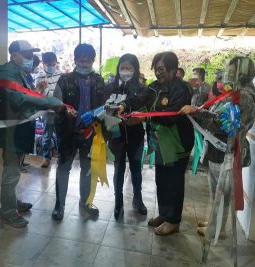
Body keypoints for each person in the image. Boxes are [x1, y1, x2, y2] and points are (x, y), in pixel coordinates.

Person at [0, 40, 67, 228]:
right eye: (27, 54)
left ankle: (13, 202)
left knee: (15, 169)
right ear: (14, 55)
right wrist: (50, 102)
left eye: (31, 54)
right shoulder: (8, 72)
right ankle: (8, 211)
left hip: (21, 129)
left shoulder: (21, 73)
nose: (30, 58)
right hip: (11, 131)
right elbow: (19, 99)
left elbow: (26, 95)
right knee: (12, 171)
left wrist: (38, 92)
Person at [118, 51, 194, 235]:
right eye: (156, 69)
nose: (158, 73)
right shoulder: (153, 88)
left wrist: (143, 118)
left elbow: (171, 116)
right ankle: (164, 213)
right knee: (161, 179)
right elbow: (138, 98)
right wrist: (125, 106)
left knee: (174, 180)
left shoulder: (181, 89)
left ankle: (173, 220)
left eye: (161, 69)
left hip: (177, 142)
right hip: (159, 141)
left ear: (173, 69)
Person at [179, 56, 255, 238]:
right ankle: (215, 221)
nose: (225, 74)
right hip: (219, 149)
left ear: (240, 72)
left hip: (227, 151)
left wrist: (197, 112)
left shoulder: (243, 96)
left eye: (229, 70)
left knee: (222, 192)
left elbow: (224, 123)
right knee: (217, 191)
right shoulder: (236, 92)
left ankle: (218, 229)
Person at [52, 43, 106, 220]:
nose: (85, 63)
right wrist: (64, 110)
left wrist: (96, 115)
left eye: (88, 59)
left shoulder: (99, 80)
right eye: (81, 59)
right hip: (68, 131)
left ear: (92, 61)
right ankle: (59, 205)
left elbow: (105, 106)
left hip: (91, 132)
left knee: (87, 168)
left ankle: (86, 201)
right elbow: (55, 103)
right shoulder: (64, 79)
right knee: (63, 168)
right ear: (75, 60)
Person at [105, 54, 147, 219]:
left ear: (135, 70)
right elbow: (103, 108)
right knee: (118, 168)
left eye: (129, 68)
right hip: (116, 135)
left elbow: (147, 112)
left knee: (136, 168)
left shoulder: (142, 89)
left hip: (135, 134)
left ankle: (138, 199)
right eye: (123, 67)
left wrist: (140, 117)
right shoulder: (110, 88)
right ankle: (118, 202)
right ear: (118, 68)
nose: (125, 71)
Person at [36, 52, 62, 168]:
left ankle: (61, 156)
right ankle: (46, 158)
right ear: (44, 63)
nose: (51, 66)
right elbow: (37, 93)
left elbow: (63, 92)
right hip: (47, 111)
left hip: (60, 110)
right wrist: (41, 88)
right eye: (48, 64)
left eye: (53, 63)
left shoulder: (61, 75)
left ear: (56, 62)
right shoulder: (39, 77)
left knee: (60, 134)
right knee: (47, 135)